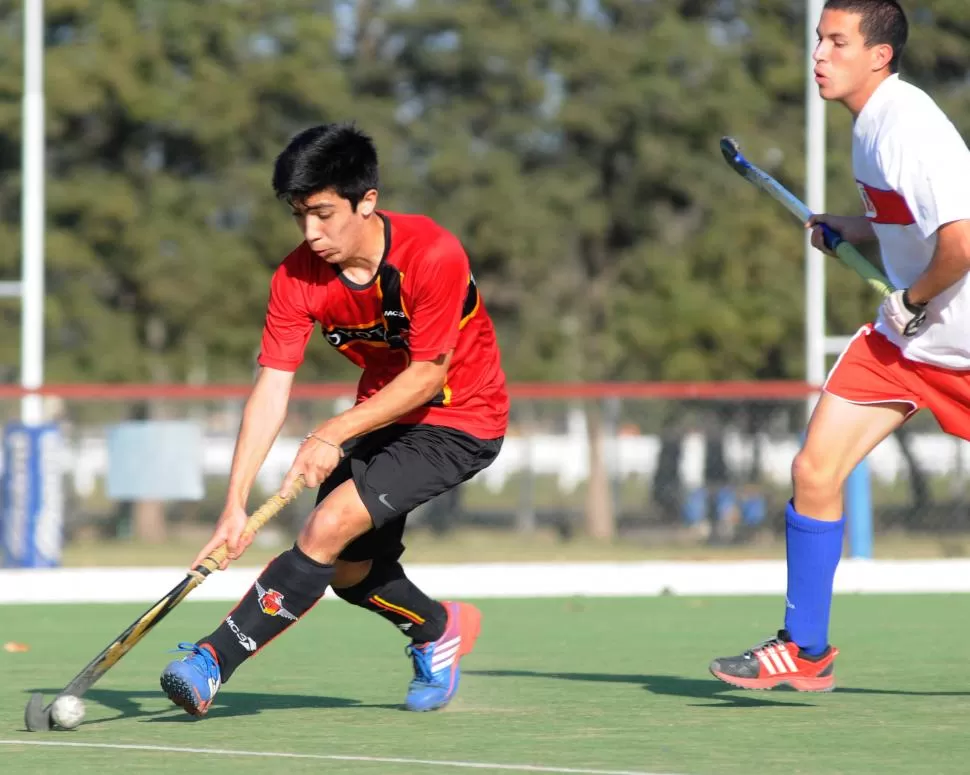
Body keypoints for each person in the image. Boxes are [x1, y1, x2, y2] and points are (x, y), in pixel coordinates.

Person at [159, 123, 509, 714]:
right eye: (299, 216)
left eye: (322, 214)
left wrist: (331, 432)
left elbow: (427, 375)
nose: (310, 233)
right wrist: (234, 504)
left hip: (461, 417)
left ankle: (211, 660)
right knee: (349, 572)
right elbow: (271, 385)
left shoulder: (432, 254)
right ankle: (437, 628)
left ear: (366, 201)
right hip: (382, 416)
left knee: (324, 527)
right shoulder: (297, 277)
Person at [710, 0, 970, 691]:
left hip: (954, 339)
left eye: (837, 42)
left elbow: (962, 241)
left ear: (880, 55)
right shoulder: (869, 127)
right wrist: (853, 229)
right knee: (815, 471)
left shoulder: (907, 127)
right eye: (818, 40)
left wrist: (912, 303)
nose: (819, 55)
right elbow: (909, 223)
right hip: (906, 345)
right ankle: (805, 647)